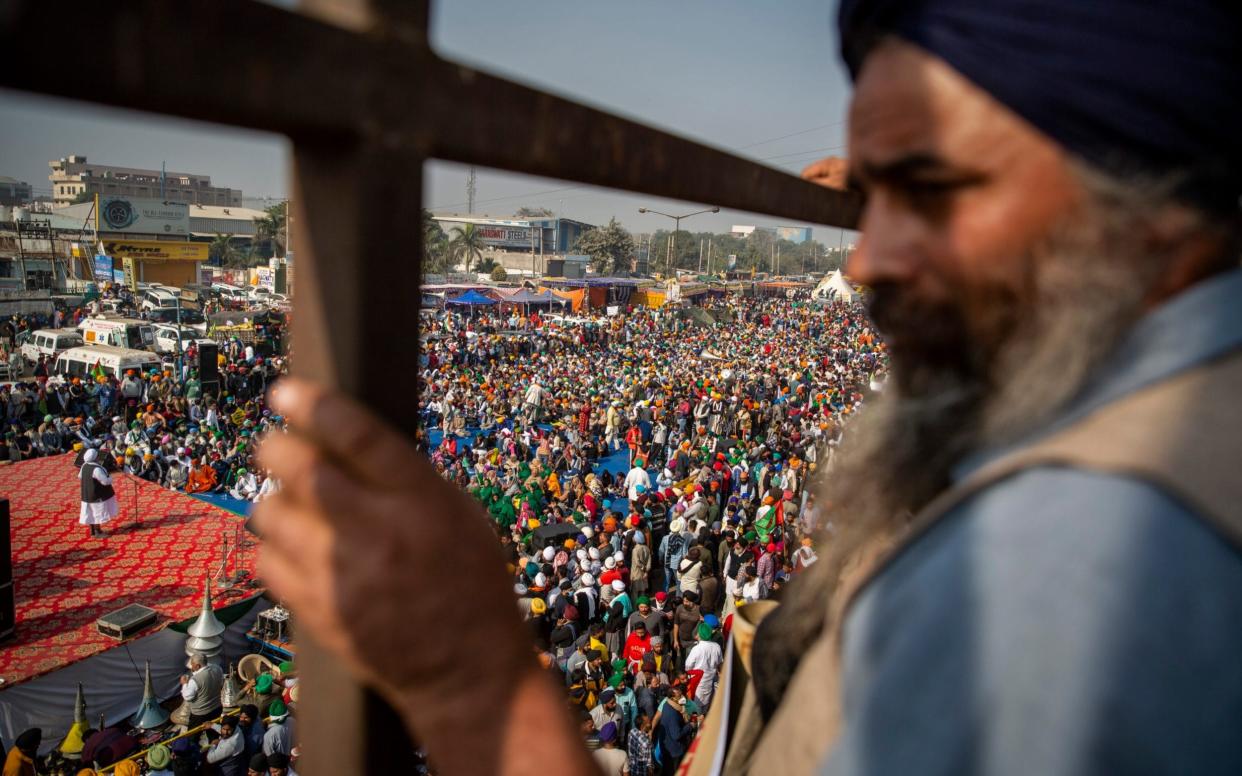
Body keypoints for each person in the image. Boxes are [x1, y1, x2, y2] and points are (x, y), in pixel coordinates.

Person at [253, 2, 1242, 770]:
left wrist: (475, 682)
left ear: (1148, 204)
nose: (861, 265)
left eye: (931, 190)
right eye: (872, 195)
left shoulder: (1061, 576)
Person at [78, 448, 118, 538]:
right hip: (97, 494)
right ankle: (97, 532)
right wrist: (110, 478)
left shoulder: (84, 465)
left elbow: (80, 476)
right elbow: (105, 481)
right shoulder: (96, 469)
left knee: (91, 512)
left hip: (87, 493)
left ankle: (93, 531)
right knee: (97, 513)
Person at [180, 653, 223, 727]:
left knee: (193, 735)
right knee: (213, 730)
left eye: (192, 664)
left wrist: (184, 684)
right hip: (217, 708)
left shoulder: (195, 680)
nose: (191, 667)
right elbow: (221, 684)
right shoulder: (217, 668)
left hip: (200, 714)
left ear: (198, 666)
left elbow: (188, 697)